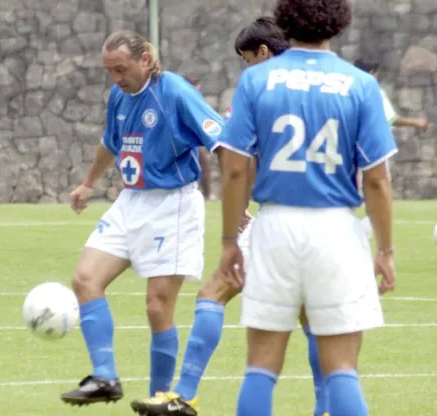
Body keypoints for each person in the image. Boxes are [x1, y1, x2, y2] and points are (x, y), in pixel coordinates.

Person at [130, 16, 328, 416]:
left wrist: (235, 217)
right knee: (312, 317)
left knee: (214, 292)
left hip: (278, 218)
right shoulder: (332, 85)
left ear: (263, 52)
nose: (246, 68)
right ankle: (326, 408)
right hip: (326, 219)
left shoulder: (257, 89)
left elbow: (238, 162)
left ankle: (183, 396)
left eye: (245, 59)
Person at [217, 0, 396, 415]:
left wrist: (230, 241)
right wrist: (385, 251)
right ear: (339, 20)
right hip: (335, 229)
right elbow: (376, 180)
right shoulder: (359, 85)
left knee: (260, 366)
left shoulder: (256, 81)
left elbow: (234, 170)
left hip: (275, 225)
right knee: (342, 368)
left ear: (284, 19)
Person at [60, 30, 224, 407]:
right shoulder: (119, 95)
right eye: (110, 71)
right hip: (131, 201)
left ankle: (160, 399)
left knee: (157, 307)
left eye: (121, 69)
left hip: (174, 206)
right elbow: (110, 142)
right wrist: (87, 184)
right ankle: (104, 376)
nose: (116, 78)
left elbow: (222, 142)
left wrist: (239, 201)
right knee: (85, 279)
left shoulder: (176, 93)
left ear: (145, 60)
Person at [353, 57, 429, 237]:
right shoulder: (372, 90)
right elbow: (391, 118)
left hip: (348, 150)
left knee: (354, 191)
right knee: (379, 188)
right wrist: (417, 122)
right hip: (372, 150)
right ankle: (367, 232)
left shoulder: (347, 88)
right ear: (372, 72)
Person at [184, 75, 215, 201]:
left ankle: (208, 194)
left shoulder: (196, 99)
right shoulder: (182, 97)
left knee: (204, 163)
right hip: (184, 139)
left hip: (195, 139)